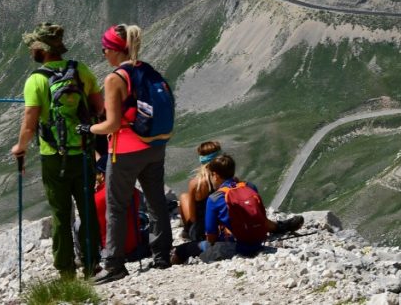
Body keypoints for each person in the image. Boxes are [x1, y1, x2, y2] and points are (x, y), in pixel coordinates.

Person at [11, 22, 103, 279]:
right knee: (87, 209)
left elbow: (30, 121)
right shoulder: (80, 70)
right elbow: (98, 107)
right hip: (84, 153)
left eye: (33, 47)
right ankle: (92, 263)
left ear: (41, 49)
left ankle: (65, 270)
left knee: (61, 213)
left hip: (54, 157)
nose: (31, 51)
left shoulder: (36, 81)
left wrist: (20, 147)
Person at [90, 24, 174, 284]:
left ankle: (114, 264)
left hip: (125, 151)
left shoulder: (115, 78)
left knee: (116, 207)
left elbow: (112, 125)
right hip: (155, 146)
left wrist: (89, 127)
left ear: (115, 50)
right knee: (156, 201)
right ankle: (161, 256)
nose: (103, 53)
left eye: (105, 48)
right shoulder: (146, 69)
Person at [172, 154, 304, 265]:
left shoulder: (214, 198)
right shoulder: (249, 187)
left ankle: (170, 264)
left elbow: (211, 237)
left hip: (236, 247)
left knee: (183, 250)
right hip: (258, 240)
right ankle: (282, 226)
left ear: (216, 175)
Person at [178, 142, 303, 244]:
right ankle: (279, 226)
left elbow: (193, 218)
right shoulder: (231, 180)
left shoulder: (196, 183)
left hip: (205, 231)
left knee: (184, 197)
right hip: (230, 224)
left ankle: (186, 232)